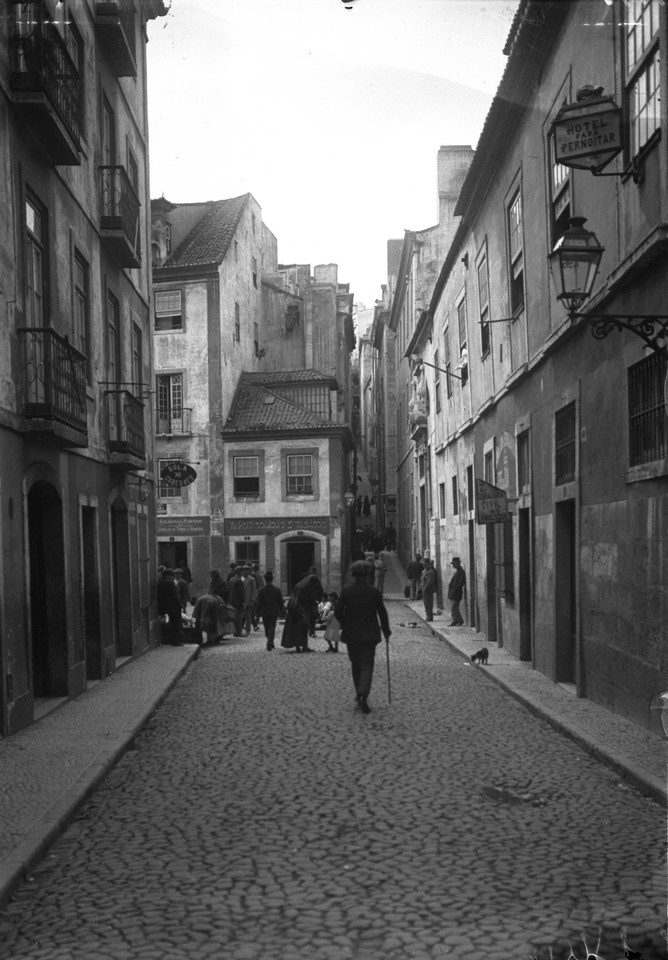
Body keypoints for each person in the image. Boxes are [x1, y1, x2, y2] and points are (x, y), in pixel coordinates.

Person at [334, 561, 391, 714]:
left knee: (355, 664)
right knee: (367, 665)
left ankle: (359, 691)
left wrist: (345, 623)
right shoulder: (373, 591)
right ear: (367, 575)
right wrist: (386, 630)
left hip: (351, 634)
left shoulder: (346, 591)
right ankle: (363, 693)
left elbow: (338, 612)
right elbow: (382, 612)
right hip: (369, 634)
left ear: (353, 575)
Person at [281, 574, 321, 652]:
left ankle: (298, 646)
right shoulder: (306, 588)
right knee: (302, 629)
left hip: (293, 610)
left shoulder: (299, 585)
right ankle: (304, 646)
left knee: (296, 629)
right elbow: (307, 600)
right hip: (300, 610)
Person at [256, 571, 285, 650]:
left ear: (265, 579)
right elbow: (280, 601)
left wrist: (257, 612)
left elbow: (259, 602)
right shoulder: (276, 590)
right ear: (272, 579)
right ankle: (270, 642)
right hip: (273, 612)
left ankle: (269, 642)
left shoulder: (261, 590)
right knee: (272, 628)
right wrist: (282, 610)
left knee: (267, 628)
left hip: (265, 612)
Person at [157, 568, 184, 646]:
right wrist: (180, 605)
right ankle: (176, 642)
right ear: (169, 576)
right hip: (174, 607)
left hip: (164, 607)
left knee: (170, 624)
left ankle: (168, 640)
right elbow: (175, 596)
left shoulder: (159, 583)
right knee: (176, 624)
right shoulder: (170, 583)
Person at [227, 565, 246, 636]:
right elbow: (241, 593)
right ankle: (238, 632)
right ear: (240, 572)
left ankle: (235, 631)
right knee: (238, 618)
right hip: (238, 601)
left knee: (235, 617)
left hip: (232, 600)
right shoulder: (239, 581)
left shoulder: (232, 579)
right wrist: (243, 601)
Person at [447, 557, 466, 626]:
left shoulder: (461, 572)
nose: (453, 566)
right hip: (453, 592)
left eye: (454, 564)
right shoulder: (457, 571)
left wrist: (455, 590)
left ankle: (460, 620)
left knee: (454, 607)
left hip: (456, 592)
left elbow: (461, 583)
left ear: (458, 564)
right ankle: (455, 620)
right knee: (452, 608)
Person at [242, 565, 258, 634]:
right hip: (241, 600)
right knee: (241, 615)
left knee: (248, 616)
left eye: (247, 570)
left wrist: (253, 599)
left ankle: (247, 630)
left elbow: (254, 590)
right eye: (244, 570)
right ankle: (239, 629)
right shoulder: (240, 578)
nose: (245, 571)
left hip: (248, 599)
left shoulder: (251, 579)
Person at [422, 557, 437, 622]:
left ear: (429, 564)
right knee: (426, 603)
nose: (424, 566)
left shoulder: (430, 572)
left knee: (428, 604)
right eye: (424, 564)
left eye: (426, 564)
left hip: (428, 590)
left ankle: (430, 617)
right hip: (425, 589)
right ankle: (428, 616)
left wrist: (425, 588)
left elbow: (430, 582)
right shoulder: (426, 571)